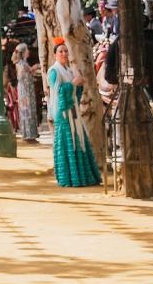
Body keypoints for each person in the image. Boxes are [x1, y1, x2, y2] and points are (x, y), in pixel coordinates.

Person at [48, 39, 101, 187]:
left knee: (79, 140)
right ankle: (68, 178)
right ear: (55, 55)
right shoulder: (54, 71)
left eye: (66, 51)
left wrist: (79, 85)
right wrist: (73, 84)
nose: (64, 53)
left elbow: (75, 93)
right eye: (61, 51)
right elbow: (58, 92)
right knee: (67, 142)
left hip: (74, 110)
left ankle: (83, 176)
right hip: (63, 113)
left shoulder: (69, 70)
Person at [13, 43, 40, 142]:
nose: (28, 51)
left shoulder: (23, 63)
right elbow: (22, 76)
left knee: (28, 111)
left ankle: (29, 133)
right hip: (25, 90)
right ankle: (28, 134)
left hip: (27, 90)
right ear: (24, 52)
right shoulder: (22, 64)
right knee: (27, 111)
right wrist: (33, 69)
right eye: (27, 50)